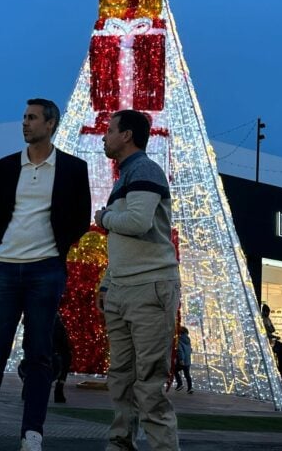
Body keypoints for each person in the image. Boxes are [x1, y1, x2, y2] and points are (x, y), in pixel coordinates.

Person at [0, 98, 91, 451]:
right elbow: (0, 213)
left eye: (32, 118)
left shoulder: (72, 168)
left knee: (40, 352)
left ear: (51, 124)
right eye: (24, 117)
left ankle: (32, 434)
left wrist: (56, 249)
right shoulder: (8, 166)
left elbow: (80, 217)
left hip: (46, 269)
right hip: (7, 268)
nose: (25, 123)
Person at [94, 109, 181, 451]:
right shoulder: (127, 174)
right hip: (122, 287)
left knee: (147, 382)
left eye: (110, 130)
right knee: (121, 377)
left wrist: (103, 217)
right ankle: (120, 441)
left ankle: (162, 447)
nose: (104, 136)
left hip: (149, 288)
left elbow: (137, 222)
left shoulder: (145, 169)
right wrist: (107, 280)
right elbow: (125, 240)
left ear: (127, 135)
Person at [174, 326, 193, 394]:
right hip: (188, 360)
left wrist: (181, 359)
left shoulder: (179, 340)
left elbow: (180, 350)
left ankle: (180, 384)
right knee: (187, 374)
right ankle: (190, 388)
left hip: (182, 361)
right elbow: (190, 350)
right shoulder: (188, 340)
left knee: (174, 370)